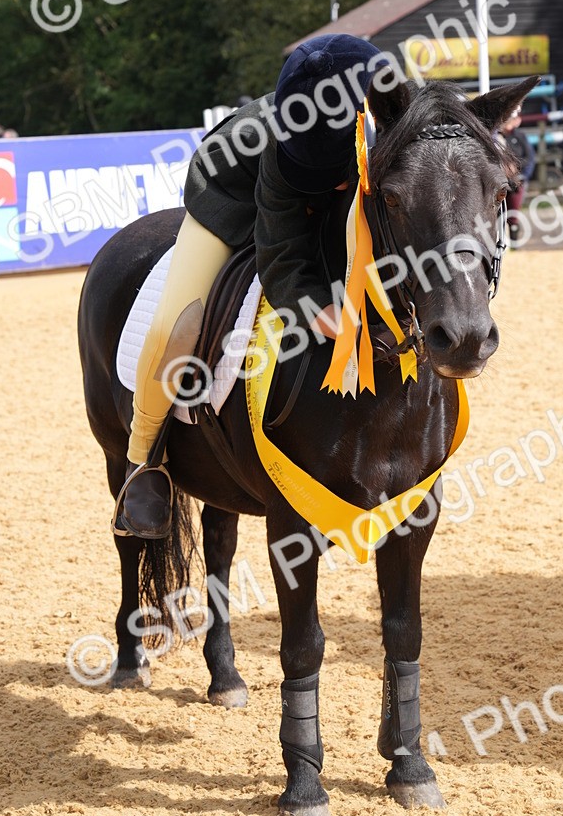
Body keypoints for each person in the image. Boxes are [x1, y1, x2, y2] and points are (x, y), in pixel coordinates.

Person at [120, 33, 387, 538]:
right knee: (175, 326)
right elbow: (283, 249)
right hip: (231, 194)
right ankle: (142, 461)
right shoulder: (277, 145)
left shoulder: (389, 115)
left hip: (334, 175)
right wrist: (311, 306)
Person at [498, 108, 534, 243]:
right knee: (497, 213)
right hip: (499, 180)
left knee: (513, 212)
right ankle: (499, 241)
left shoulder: (520, 136)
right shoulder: (496, 137)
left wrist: (519, 172)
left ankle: (514, 242)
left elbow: (529, 158)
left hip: (517, 180)